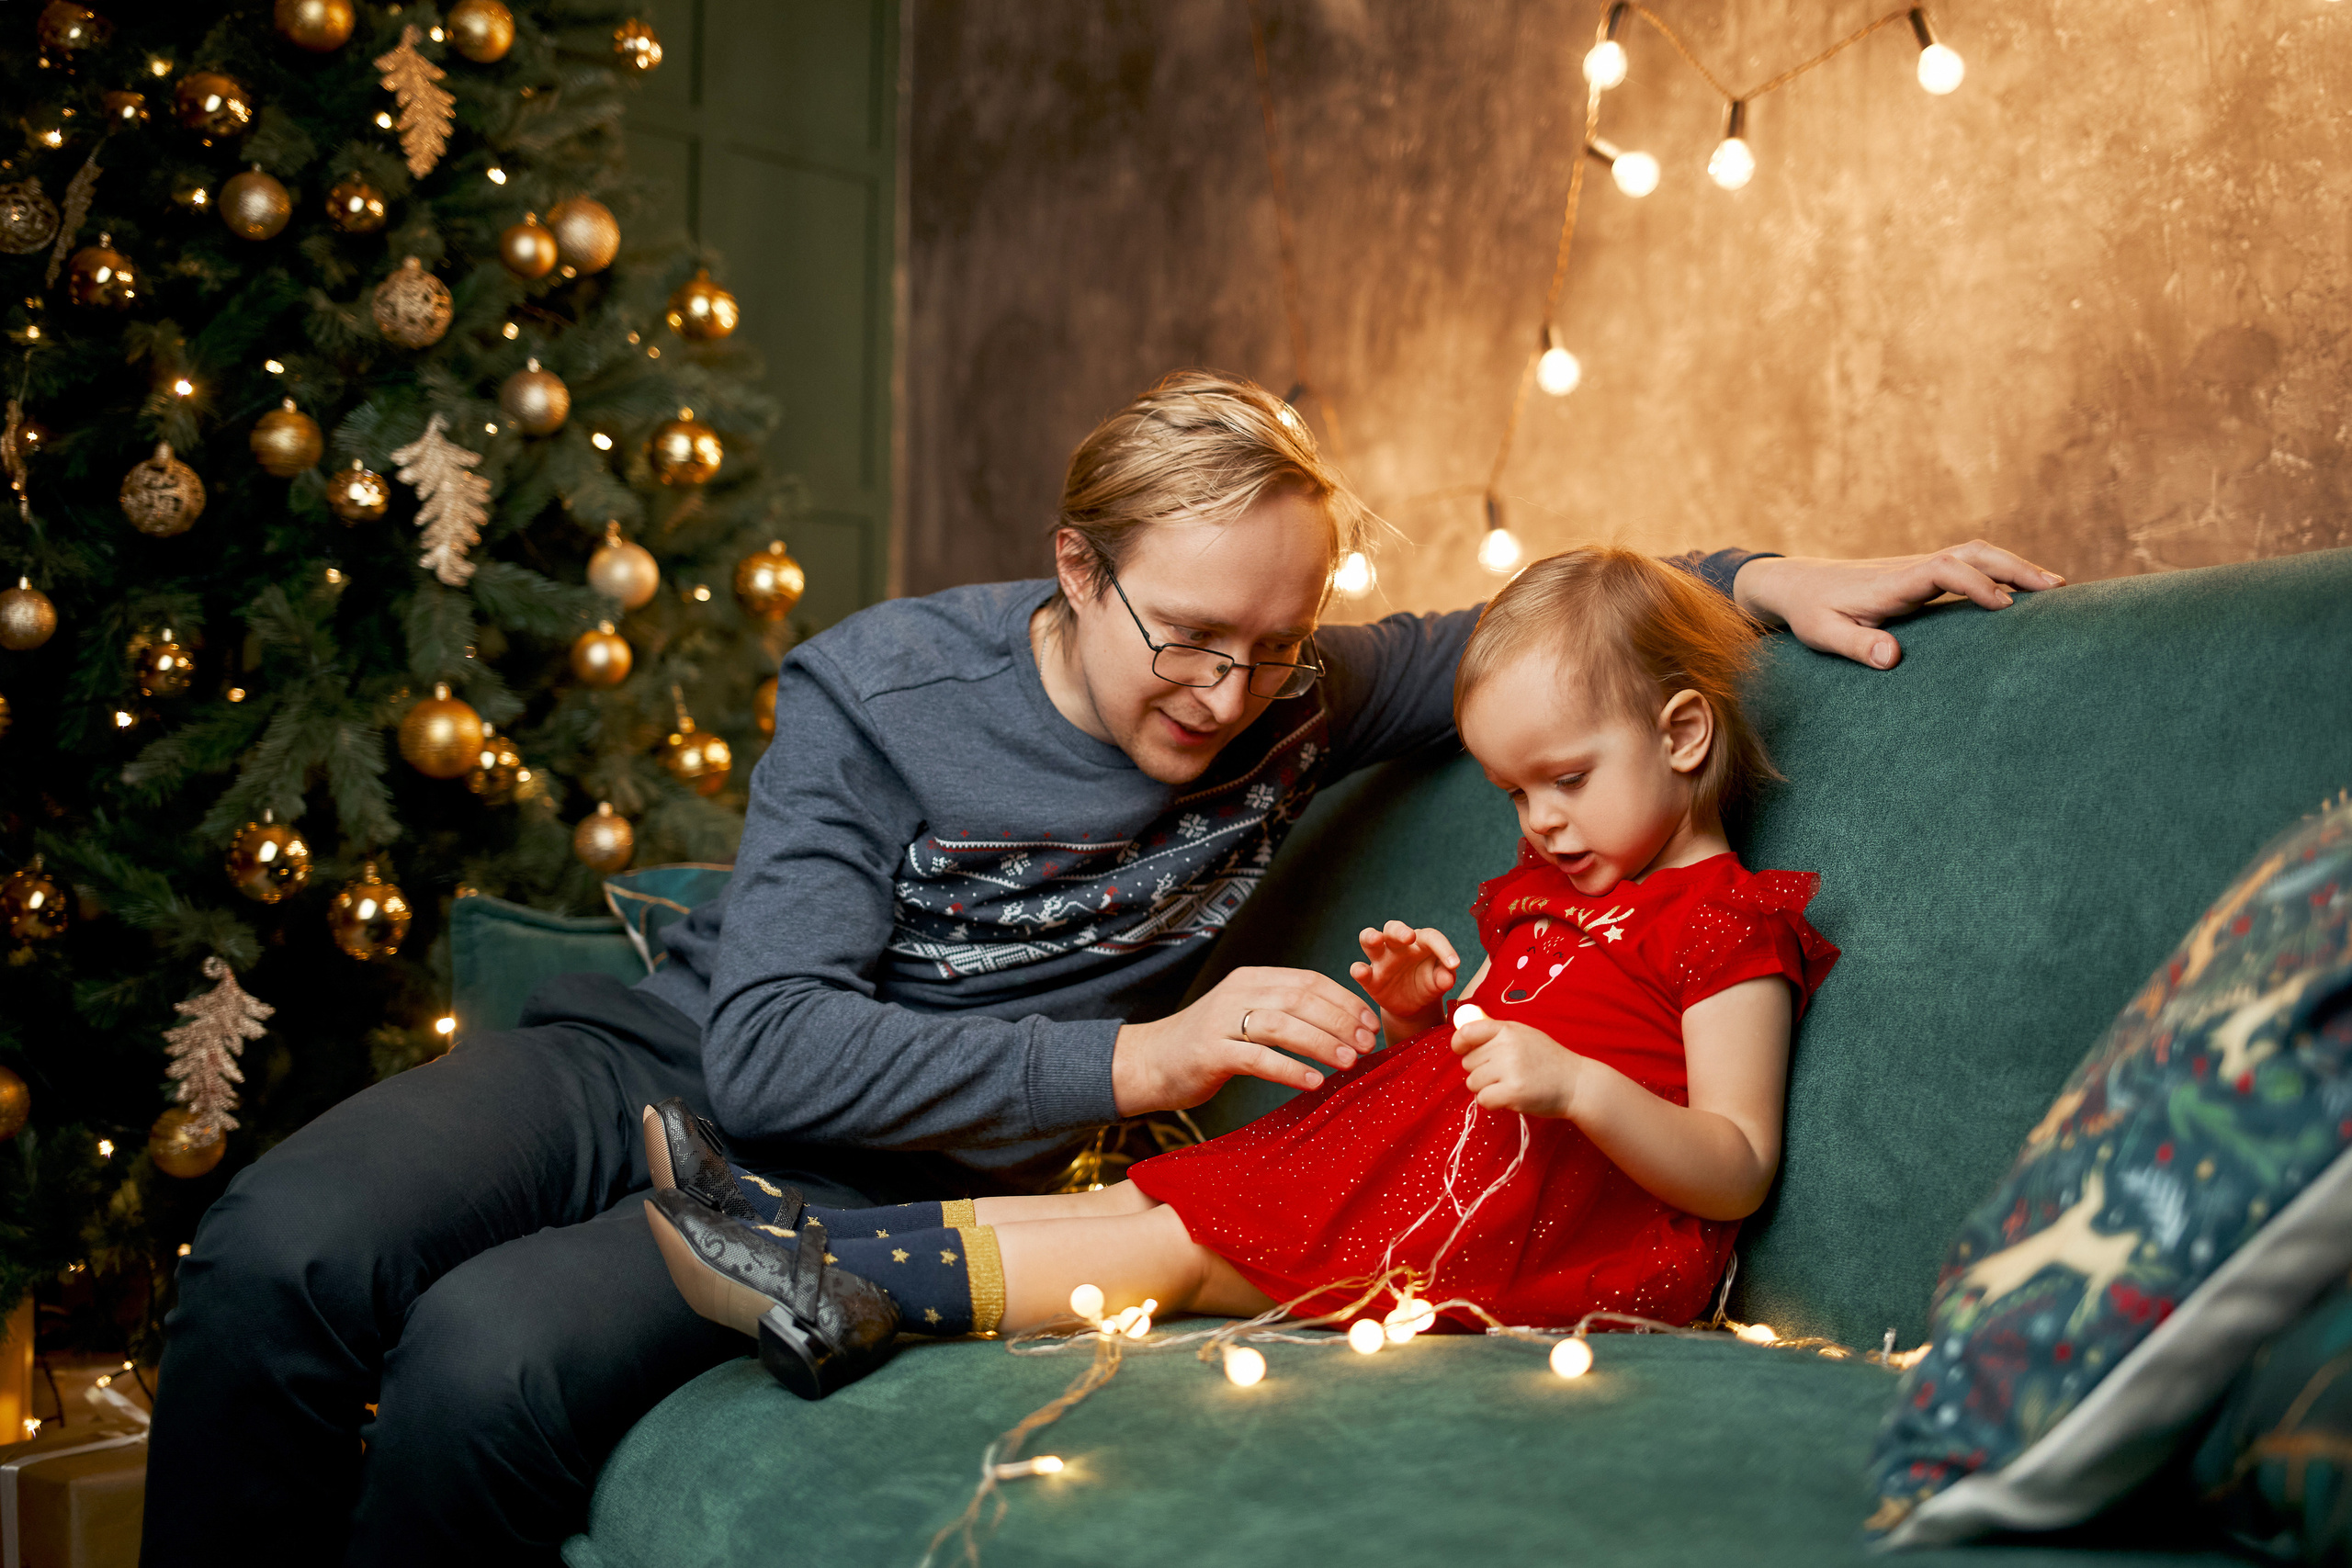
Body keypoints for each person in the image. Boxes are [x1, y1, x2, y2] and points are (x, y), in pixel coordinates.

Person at [142, 369, 2061, 1564]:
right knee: (279, 1249)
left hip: (863, 1186)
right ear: (1075, 568)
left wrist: (1760, 576)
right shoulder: (881, 685)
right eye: (1187, 638)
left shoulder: (1287, 689)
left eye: (1275, 645)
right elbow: (780, 1043)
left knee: (486, 1362)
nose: (1226, 698)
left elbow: (1553, 642)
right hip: (668, 1058)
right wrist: (1148, 1052)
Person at [645, 545, 1839, 1365]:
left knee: (1173, 1246)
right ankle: (804, 1251)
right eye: (1515, 792)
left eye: (1565, 781)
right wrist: (1430, 1018)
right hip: (1442, 1183)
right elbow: (1489, 1063)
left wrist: (1580, 1086)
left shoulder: (1725, 922)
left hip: (1546, 1240)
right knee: (1150, 1195)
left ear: (1684, 734)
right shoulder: (1550, 895)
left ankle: (865, 1293)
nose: (1540, 824)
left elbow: (1734, 1167)